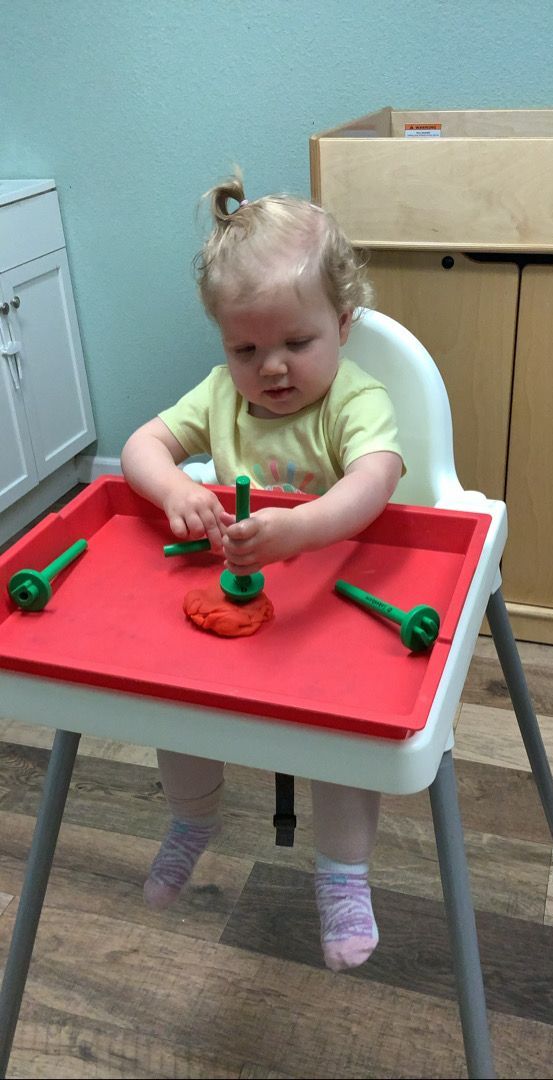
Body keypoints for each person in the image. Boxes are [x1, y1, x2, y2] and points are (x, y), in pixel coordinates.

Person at [121, 174, 405, 972]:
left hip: (334, 604)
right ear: (223, 345)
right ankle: (191, 820)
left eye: (296, 343)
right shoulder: (218, 397)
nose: (271, 368)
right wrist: (177, 488)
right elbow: (143, 445)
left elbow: (375, 481)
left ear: (342, 325)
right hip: (237, 607)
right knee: (170, 701)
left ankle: (345, 876)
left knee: (337, 736)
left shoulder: (357, 399)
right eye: (246, 349)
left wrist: (300, 530)